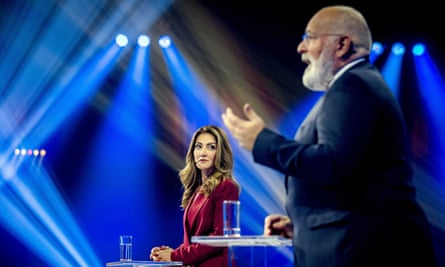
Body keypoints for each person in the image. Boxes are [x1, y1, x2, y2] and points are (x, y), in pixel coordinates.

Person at [221, 5, 436, 267]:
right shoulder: (358, 84)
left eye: (308, 38)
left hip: (359, 252)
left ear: (342, 44)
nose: (300, 48)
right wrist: (303, 223)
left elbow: (333, 163)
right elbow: (355, 181)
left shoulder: (353, 86)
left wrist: (262, 142)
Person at [149, 125, 240, 267]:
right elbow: (193, 242)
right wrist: (167, 254)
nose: (203, 152)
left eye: (211, 147)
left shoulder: (226, 187)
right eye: (198, 146)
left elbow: (220, 237)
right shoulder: (196, 190)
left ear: (220, 153)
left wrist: (175, 256)